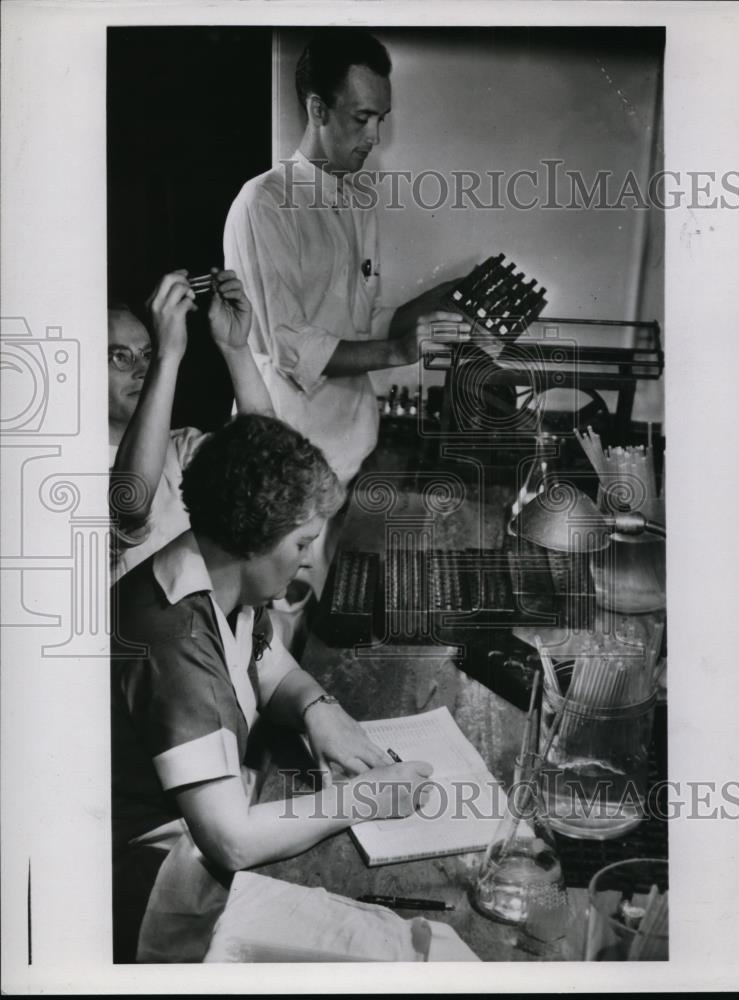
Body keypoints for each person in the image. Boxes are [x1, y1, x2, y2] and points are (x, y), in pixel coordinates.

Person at [110, 413, 433, 962]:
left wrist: (316, 706)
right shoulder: (175, 640)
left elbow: (271, 667)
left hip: (206, 816)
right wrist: (365, 798)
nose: (310, 558)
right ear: (253, 541)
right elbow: (232, 840)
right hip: (147, 876)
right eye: (303, 542)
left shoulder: (216, 574)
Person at [223, 28, 469, 488]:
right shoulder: (264, 203)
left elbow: (363, 321)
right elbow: (290, 346)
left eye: (381, 118)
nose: (375, 135)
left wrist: (440, 298)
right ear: (318, 109)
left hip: (353, 446)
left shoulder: (357, 202)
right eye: (362, 118)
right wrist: (398, 351)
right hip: (284, 456)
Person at [108, 268, 274, 579]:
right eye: (119, 356)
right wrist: (166, 356)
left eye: (146, 353)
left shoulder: (179, 447)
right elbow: (132, 503)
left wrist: (235, 348)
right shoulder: (71, 468)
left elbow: (267, 458)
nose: (142, 369)